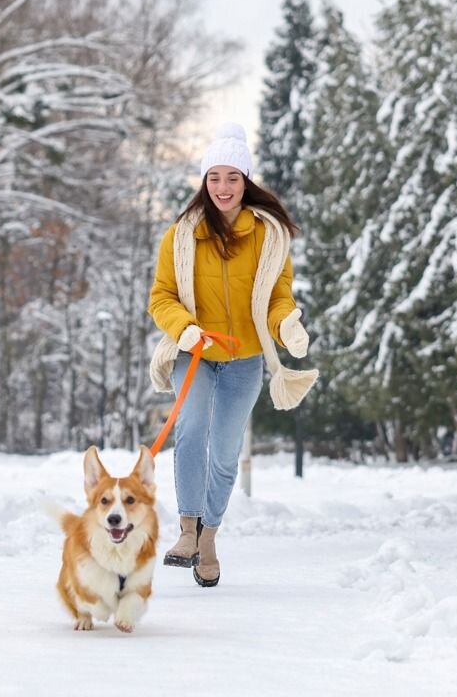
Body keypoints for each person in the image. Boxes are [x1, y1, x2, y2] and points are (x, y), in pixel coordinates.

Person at [147, 122, 318, 588]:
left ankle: (209, 538)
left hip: (245, 359)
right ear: (204, 182)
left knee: (225, 453)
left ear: (246, 182)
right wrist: (185, 331)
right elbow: (161, 296)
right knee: (191, 429)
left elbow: (278, 295)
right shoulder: (180, 236)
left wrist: (287, 323)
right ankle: (187, 530)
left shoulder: (269, 238)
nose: (222, 188)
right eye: (214, 178)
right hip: (196, 354)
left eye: (232, 178)